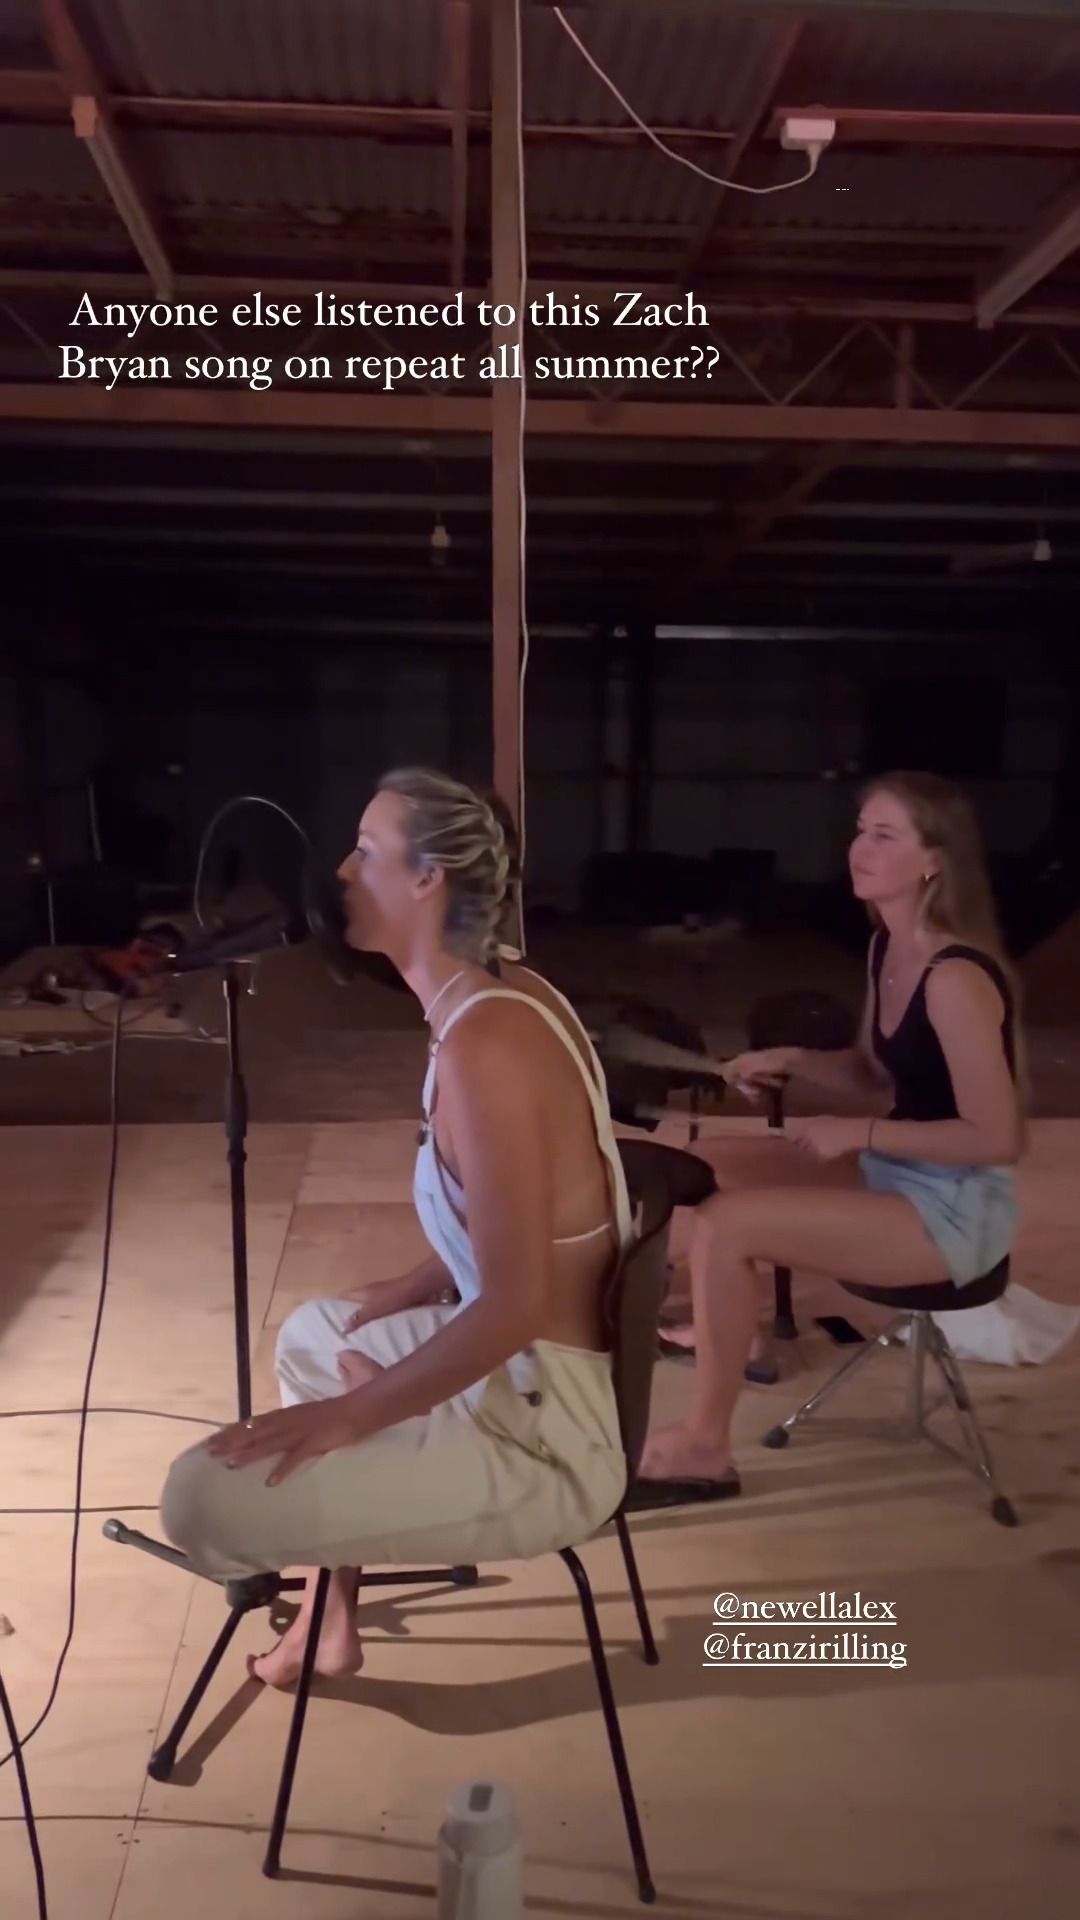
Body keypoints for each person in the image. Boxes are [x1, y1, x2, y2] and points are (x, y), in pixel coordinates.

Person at [162, 768, 632, 1685]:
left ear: (427, 880)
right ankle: (328, 1618)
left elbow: (516, 1303)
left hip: (544, 1432)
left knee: (196, 1502)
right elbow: (525, 1216)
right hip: (525, 1374)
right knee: (322, 1330)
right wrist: (413, 1289)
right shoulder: (498, 994)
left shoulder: (487, 1045)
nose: (343, 871)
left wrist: (356, 1414)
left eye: (366, 852)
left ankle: (376, 1477)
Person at [638, 770, 1024, 1500]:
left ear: (934, 861)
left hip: (955, 1211)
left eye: (885, 835)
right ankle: (740, 1336)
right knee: (700, 1171)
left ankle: (704, 1446)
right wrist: (793, 1061)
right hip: (898, 1171)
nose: (860, 848)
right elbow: (874, 1075)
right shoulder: (887, 948)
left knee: (727, 1225)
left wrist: (859, 1132)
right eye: (859, 831)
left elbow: (996, 1138)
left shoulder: (955, 979)